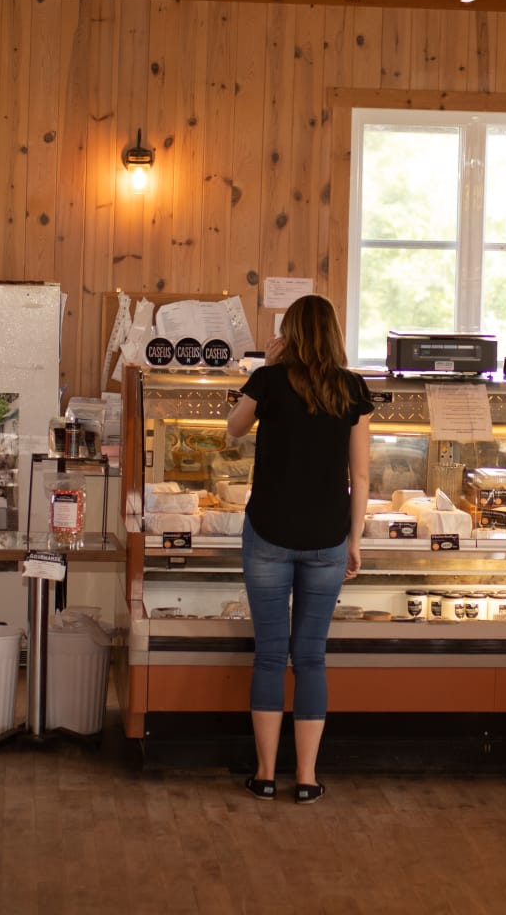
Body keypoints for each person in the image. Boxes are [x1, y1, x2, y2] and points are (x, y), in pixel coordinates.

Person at [225, 294, 373, 805]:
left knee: (270, 658)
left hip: (268, 532)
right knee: (310, 659)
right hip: (328, 536)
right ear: (333, 333)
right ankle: (306, 778)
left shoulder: (269, 381)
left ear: (289, 332)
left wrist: (267, 368)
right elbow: (361, 474)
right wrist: (354, 540)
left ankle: (265, 774)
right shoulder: (352, 388)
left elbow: (233, 428)